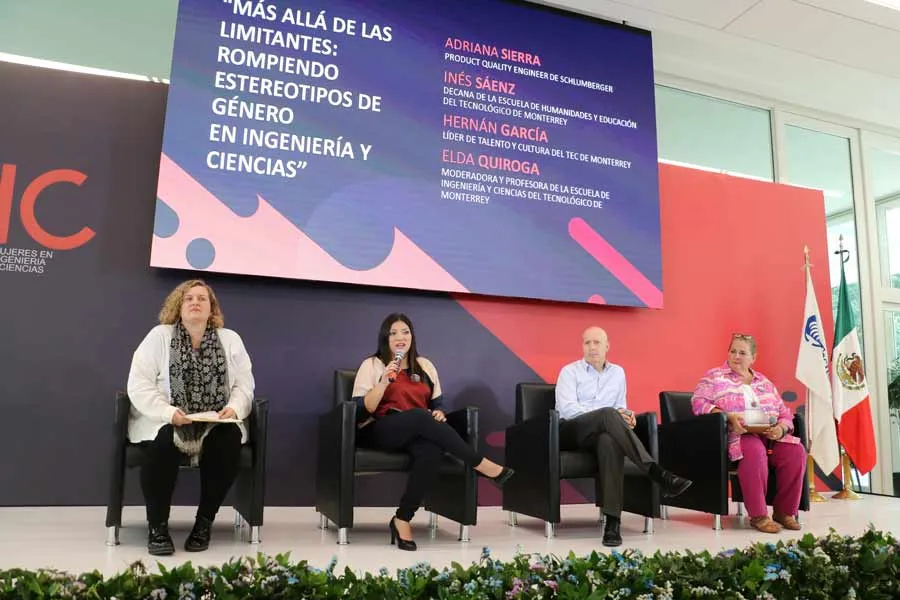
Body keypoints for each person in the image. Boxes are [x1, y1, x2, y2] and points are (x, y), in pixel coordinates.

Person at [351, 313, 514, 551]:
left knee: (431, 451)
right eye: (393, 333)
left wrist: (439, 414)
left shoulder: (425, 366)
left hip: (419, 429)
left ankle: (402, 518)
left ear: (412, 337)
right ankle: (480, 463)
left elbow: (436, 404)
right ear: (385, 338)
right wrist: (384, 381)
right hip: (381, 428)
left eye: (405, 332)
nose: (400, 337)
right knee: (420, 415)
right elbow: (360, 411)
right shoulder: (372, 364)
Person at [126, 279, 254, 556]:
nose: (195, 302)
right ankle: (157, 527)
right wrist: (169, 413)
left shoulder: (231, 339)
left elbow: (244, 385)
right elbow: (139, 384)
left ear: (211, 309)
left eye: (202, 299)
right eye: (189, 298)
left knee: (229, 439)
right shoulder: (159, 336)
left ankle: (203, 523)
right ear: (178, 306)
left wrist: (234, 407)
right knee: (162, 443)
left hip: (214, 420)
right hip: (166, 418)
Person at [555, 326, 692, 547]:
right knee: (607, 415)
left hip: (602, 433)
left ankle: (612, 522)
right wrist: (607, 415)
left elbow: (620, 407)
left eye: (596, 342)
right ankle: (656, 472)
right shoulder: (569, 372)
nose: (592, 347)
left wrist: (627, 417)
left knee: (609, 441)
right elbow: (569, 409)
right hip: (570, 430)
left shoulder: (617, 372)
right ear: (582, 346)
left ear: (607, 346)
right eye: (587, 342)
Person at [691, 333, 806, 534]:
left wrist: (781, 428)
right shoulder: (715, 377)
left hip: (769, 434)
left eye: (742, 352)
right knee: (754, 451)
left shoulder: (765, 382)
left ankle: (784, 512)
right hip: (736, 435)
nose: (736, 356)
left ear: (753, 358)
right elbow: (698, 403)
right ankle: (759, 515)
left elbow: (784, 413)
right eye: (732, 351)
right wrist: (727, 416)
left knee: (795, 451)